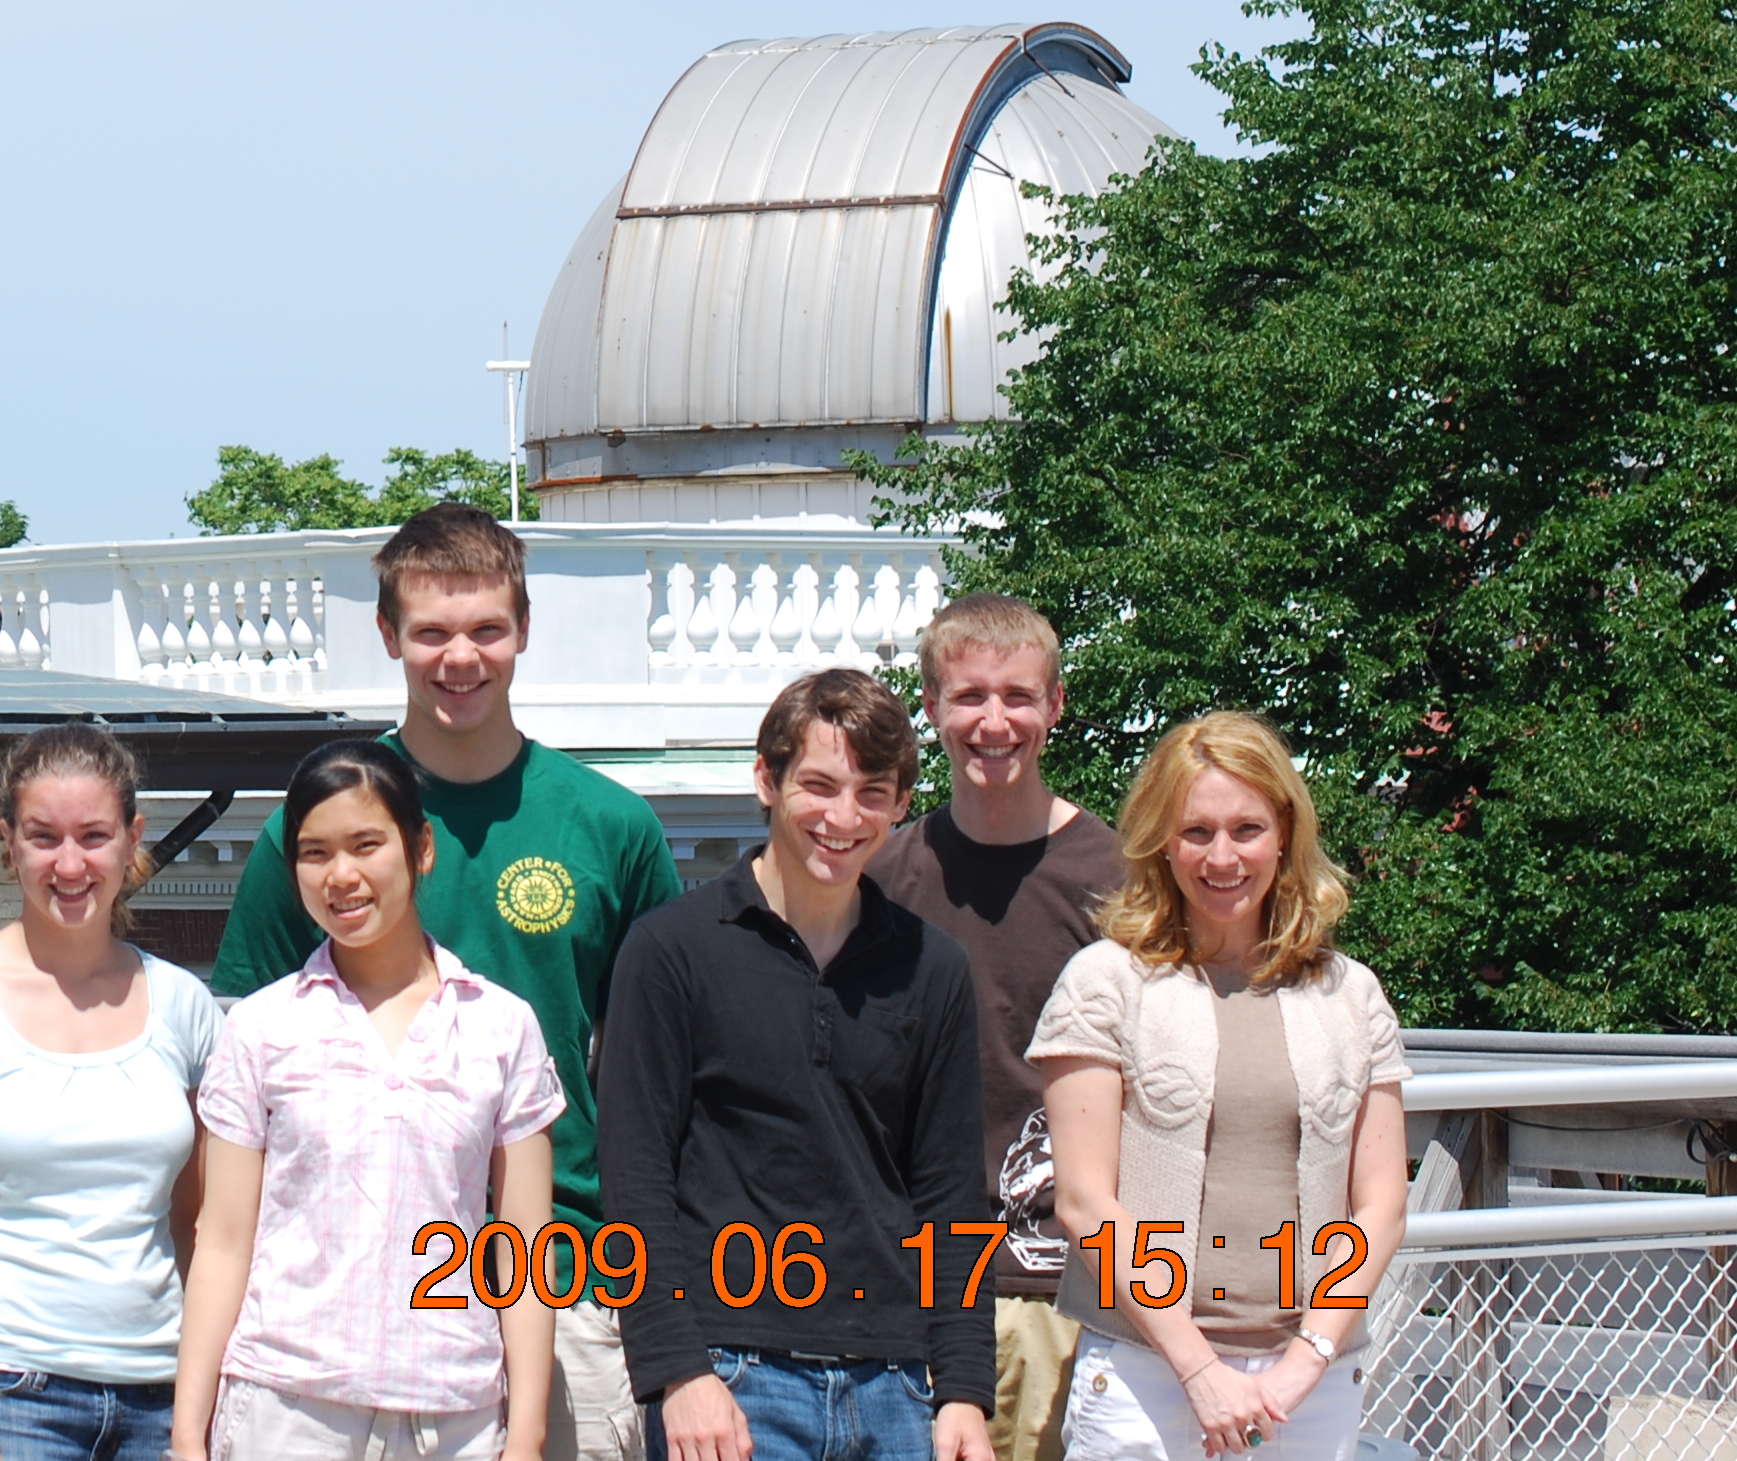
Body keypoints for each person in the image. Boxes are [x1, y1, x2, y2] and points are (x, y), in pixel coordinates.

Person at [208, 506, 681, 1461]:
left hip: (562, 1277)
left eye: (486, 629)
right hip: (332, 1304)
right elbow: (234, 1087)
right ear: (389, 635)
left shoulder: (611, 826)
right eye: (431, 632)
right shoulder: (308, 832)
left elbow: (667, 1078)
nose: (460, 657)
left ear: (524, 630)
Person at [595, 669, 995, 1461]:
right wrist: (678, 1371)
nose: (843, 817)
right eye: (819, 785)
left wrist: (963, 1390)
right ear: (766, 780)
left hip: (897, 1384)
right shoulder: (671, 950)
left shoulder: (933, 968)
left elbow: (952, 1196)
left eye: (872, 793)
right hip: (731, 1375)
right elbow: (635, 1179)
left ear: (901, 804)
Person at [1028, 715, 1409, 1461]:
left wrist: (1308, 1360)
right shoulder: (1105, 984)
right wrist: (1199, 1369)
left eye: (1247, 829)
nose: (1223, 856)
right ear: (1161, 843)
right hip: (1146, 1376)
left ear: (1284, 835)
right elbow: (1084, 1203)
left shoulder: (1352, 994)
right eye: (1197, 832)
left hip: (1312, 1386)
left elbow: (1382, 1206)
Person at [174, 737, 561, 1461]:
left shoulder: (501, 1026)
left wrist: (528, 1436)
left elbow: (524, 1250)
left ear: (422, 849)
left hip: (455, 1414)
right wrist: (187, 1433)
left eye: (365, 845)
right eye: (315, 853)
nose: (341, 875)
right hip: (285, 1410)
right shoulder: (260, 1027)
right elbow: (222, 1241)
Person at [0, 722, 227, 1461]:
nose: (70, 864)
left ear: (133, 839)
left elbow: (198, 1224)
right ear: (9, 841)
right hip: (2, 1392)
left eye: (94, 837)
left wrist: (198, 1408)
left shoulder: (186, 1008)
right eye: (44, 837)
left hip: (158, 1395)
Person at [866, 601, 1121, 1461]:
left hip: (1068, 1290)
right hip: (908, 1287)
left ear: (1056, 705)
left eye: (1017, 695)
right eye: (970, 695)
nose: (994, 721)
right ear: (931, 707)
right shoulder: (881, 879)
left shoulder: (1122, 882)